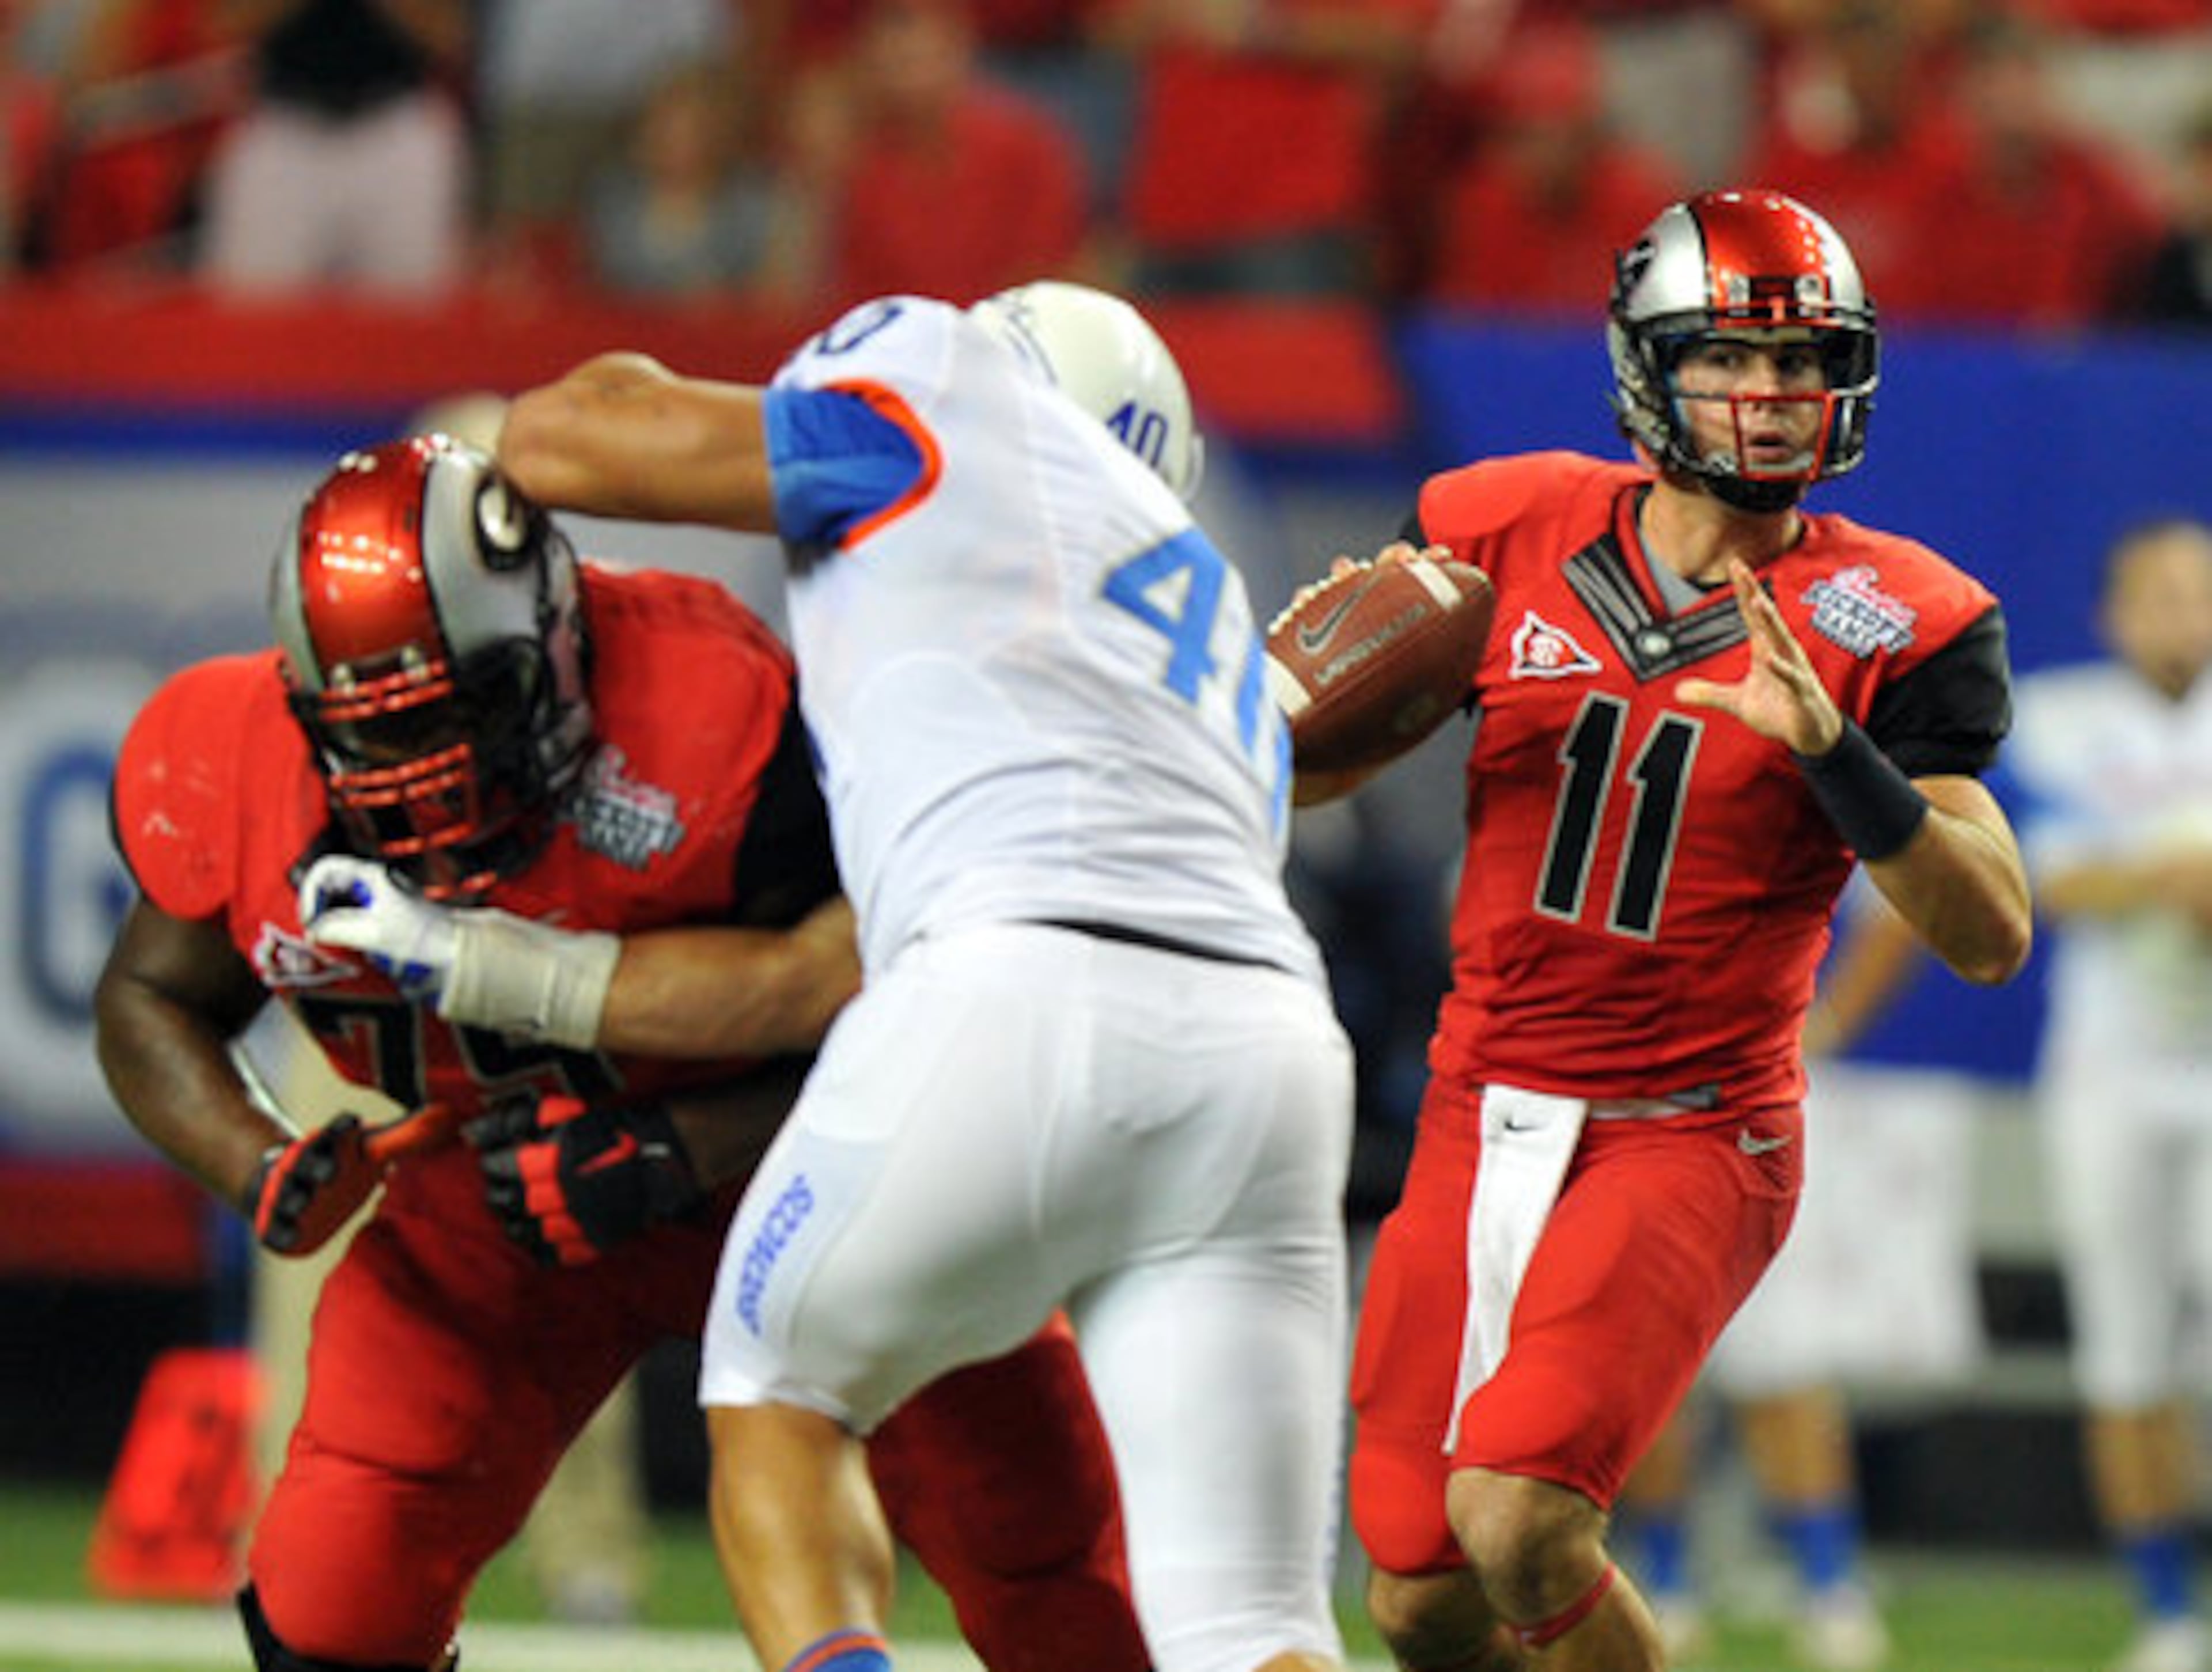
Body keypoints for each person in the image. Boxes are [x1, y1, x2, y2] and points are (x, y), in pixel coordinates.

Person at [93, 432, 1152, 1672]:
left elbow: (938, 1001)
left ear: (558, 630)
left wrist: (683, 1145)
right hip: (496, 1201)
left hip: (811, 1177)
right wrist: (252, 1156)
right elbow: (150, 995)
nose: (432, 772)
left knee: (1044, 1552)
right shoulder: (235, 765)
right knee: (334, 1596)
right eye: (381, 735)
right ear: (306, 709)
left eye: (469, 706)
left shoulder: (720, 715)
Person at [492, 279, 1357, 1672]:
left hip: (1022, 989)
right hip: (1266, 1053)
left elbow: (559, 440)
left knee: (779, 1390)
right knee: (1252, 1625)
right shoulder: (1198, 588)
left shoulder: (955, 394)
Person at [1334, 188, 2033, 1672]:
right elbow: (1319, 758)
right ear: (1650, 364)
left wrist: (1838, 755)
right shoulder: (1494, 525)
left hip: (1690, 1127)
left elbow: (1992, 934)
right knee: (1417, 1589)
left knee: (1518, 1519)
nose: (1777, 399)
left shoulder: (1900, 610)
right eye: (1736, 360)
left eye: (1805, 365)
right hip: (1479, 1109)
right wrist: (1267, 713)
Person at [1620, 888, 1987, 1672]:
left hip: (1762, 1081)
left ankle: (1828, 1585)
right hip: (1642, 1070)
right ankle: (1669, 1580)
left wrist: (1820, 1029)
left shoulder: (1809, 778)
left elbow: (1902, 901)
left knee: (1780, 1349)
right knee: (1645, 1355)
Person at [2006, 515, 2212, 1672]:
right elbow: (2050, 880)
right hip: (2112, 1074)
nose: (2183, 614)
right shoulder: (2059, 717)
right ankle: (2165, 1615)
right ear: (2112, 612)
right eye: (2160, 594)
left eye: (2200, 592)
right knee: (2125, 1349)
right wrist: (2170, 874)